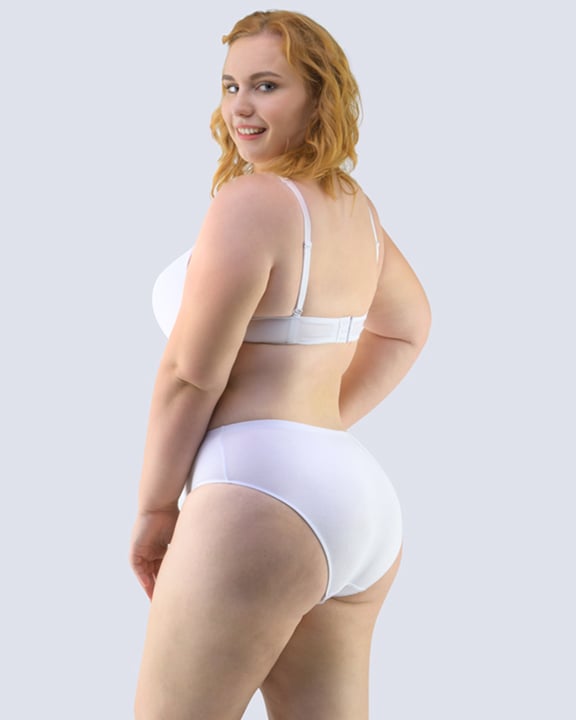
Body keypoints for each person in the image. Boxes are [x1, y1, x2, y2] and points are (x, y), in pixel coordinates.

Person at [129, 9, 431, 720]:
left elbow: (189, 375)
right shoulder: (355, 210)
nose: (240, 106)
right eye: (231, 85)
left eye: (267, 85)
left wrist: (155, 509)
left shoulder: (252, 202)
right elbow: (407, 329)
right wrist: (317, 426)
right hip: (356, 502)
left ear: (318, 97)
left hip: (256, 493)